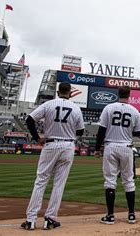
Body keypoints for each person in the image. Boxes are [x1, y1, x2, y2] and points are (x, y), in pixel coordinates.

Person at [21, 82, 85, 230]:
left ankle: (30, 220)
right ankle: (50, 219)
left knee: (41, 181)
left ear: (57, 92)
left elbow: (29, 120)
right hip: (68, 146)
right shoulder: (76, 108)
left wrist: (37, 137)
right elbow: (81, 131)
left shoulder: (49, 104)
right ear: (70, 93)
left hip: (50, 144)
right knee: (59, 184)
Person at [95, 86, 140, 225]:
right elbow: (139, 133)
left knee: (110, 181)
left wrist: (97, 149)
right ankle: (132, 215)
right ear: (129, 95)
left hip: (110, 146)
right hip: (126, 147)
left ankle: (110, 216)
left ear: (118, 94)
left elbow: (101, 130)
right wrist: (128, 131)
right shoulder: (134, 111)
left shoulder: (108, 108)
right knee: (129, 181)